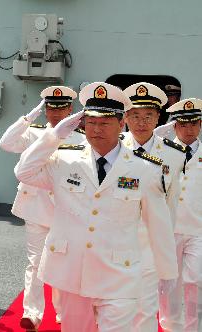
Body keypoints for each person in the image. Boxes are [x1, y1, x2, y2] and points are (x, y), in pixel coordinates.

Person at [15, 82, 178, 332]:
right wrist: (53, 136)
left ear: (121, 123)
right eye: (91, 122)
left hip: (118, 275)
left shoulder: (145, 168)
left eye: (104, 123)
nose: (96, 129)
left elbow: (159, 224)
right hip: (72, 274)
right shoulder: (65, 159)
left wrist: (167, 273)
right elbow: (23, 171)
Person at [0, 85, 85, 330]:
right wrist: (28, 117)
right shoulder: (33, 133)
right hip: (36, 207)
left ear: (70, 109)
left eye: (61, 109)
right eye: (50, 109)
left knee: (63, 261)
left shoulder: (81, 138)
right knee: (35, 262)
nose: (55, 114)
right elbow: (6, 143)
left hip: (67, 209)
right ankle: (32, 313)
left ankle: (61, 310)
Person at [122, 82, 186, 331]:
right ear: (125, 117)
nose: (141, 122)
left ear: (158, 117)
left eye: (148, 115)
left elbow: (170, 204)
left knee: (146, 310)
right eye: (135, 115)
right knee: (114, 306)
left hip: (149, 243)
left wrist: (166, 253)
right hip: (114, 242)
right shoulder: (112, 146)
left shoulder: (175, 154)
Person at [159, 98, 202, 332]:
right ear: (174, 126)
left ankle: (194, 328)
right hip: (169, 227)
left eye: (194, 124)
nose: (189, 129)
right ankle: (170, 326)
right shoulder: (161, 152)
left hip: (198, 229)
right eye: (183, 124)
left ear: (200, 125)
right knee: (169, 282)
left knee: (197, 280)